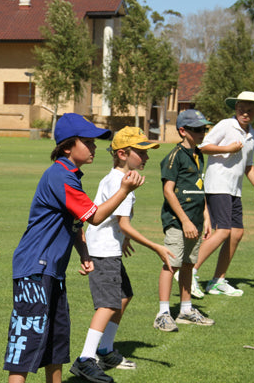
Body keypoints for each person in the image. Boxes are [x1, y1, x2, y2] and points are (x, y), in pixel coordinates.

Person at [3, 114, 145, 383]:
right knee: (27, 343)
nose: (93, 148)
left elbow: (75, 222)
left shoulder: (70, 175)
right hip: (35, 268)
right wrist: (124, 189)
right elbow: (95, 216)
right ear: (68, 146)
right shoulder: (60, 176)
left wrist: (83, 252)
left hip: (52, 269)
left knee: (56, 343)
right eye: (87, 142)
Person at [70, 126, 174, 383]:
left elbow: (117, 221)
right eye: (142, 152)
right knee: (107, 304)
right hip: (103, 252)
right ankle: (86, 358)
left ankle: (104, 350)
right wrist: (158, 247)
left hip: (109, 248)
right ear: (123, 154)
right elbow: (124, 223)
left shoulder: (117, 178)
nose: (146, 158)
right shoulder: (121, 181)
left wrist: (123, 238)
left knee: (124, 295)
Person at [193, 91, 254, 297]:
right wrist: (227, 148)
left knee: (237, 233)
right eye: (241, 108)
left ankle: (218, 281)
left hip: (234, 189)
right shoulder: (226, 125)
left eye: (250, 110)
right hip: (218, 185)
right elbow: (203, 146)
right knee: (223, 231)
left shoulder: (251, 133)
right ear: (236, 109)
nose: (245, 113)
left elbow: (248, 166)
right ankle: (189, 271)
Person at [154, 110, 215, 333]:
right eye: (198, 129)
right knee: (172, 264)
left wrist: (206, 217)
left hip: (197, 221)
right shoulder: (174, 156)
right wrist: (186, 221)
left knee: (188, 264)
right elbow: (168, 191)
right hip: (178, 222)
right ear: (183, 131)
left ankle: (186, 310)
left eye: (204, 129)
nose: (202, 133)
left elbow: (200, 187)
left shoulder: (199, 155)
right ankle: (162, 313)